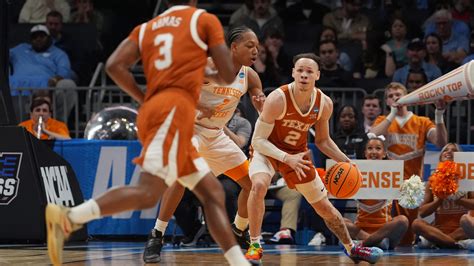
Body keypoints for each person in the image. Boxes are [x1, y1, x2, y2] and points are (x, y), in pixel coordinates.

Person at [44, 2, 252, 266]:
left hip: (160, 111)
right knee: (147, 192)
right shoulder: (202, 19)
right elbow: (226, 73)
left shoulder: (146, 28)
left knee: (212, 193)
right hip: (173, 113)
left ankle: (238, 262)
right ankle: (69, 217)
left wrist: (146, 97)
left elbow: (114, 66)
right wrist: (207, 70)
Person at [140, 26, 265, 263]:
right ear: (234, 47)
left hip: (217, 135)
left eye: (257, 47)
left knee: (253, 185)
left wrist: (261, 103)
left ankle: (238, 231)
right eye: (250, 45)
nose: (255, 51)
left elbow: (259, 99)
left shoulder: (249, 75)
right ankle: (157, 234)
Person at [245, 53, 383, 264]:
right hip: (268, 151)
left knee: (325, 207)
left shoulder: (324, 103)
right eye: (300, 70)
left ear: (317, 75)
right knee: (259, 185)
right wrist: (286, 158)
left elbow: (323, 141)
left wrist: (345, 160)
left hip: (297, 156)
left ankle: (351, 248)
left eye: (309, 71)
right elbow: (258, 140)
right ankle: (255, 245)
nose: (304, 75)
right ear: (293, 73)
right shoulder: (277, 98)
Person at [370, 82, 448, 245]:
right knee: (389, 228)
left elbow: (441, 143)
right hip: (387, 185)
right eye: (390, 96)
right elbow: (371, 136)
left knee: (408, 233)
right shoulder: (383, 120)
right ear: (386, 102)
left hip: (412, 186)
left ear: (407, 97)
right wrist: (391, 115)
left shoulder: (422, 122)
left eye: (398, 94)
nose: (395, 98)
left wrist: (439, 114)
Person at [344, 134, 409, 250]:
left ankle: (362, 244)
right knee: (338, 220)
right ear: (365, 153)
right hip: (360, 229)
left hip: (384, 230)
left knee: (402, 220)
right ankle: (373, 242)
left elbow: (407, 198)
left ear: (384, 154)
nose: (373, 151)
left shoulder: (393, 173)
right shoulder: (356, 172)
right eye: (370, 148)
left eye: (378, 148)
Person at [412, 143, 474, 250]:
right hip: (439, 231)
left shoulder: (468, 178)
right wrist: (440, 199)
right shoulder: (432, 180)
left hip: (462, 230)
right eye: (445, 150)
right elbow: (422, 212)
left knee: (465, 220)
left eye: (454, 150)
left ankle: (441, 243)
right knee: (416, 224)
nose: (449, 152)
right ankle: (455, 244)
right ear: (440, 157)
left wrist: (459, 200)